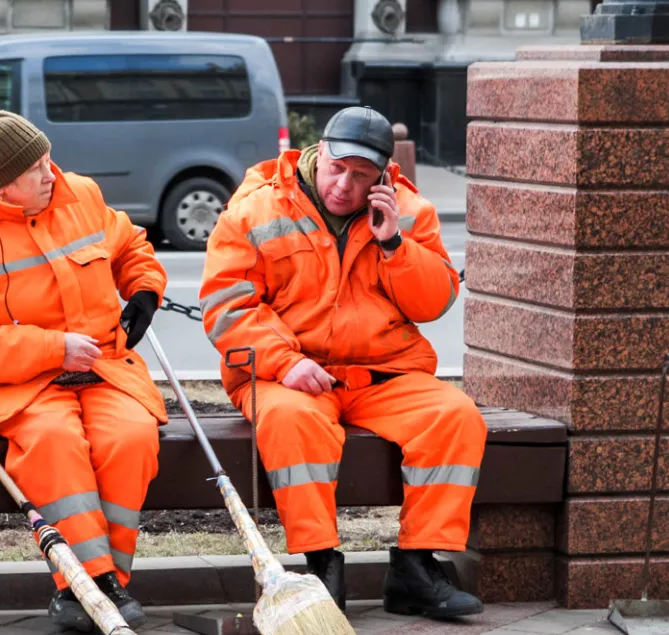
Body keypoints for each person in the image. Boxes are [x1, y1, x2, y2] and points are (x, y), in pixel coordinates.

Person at [199, 106, 486, 618]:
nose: (344, 186)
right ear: (318, 154)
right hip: (284, 374)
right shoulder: (255, 209)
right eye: (337, 168)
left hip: (385, 373)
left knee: (455, 416)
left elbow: (435, 302)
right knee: (292, 422)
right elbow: (227, 308)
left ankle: (416, 568)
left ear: (383, 177)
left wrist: (394, 243)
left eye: (361, 176)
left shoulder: (410, 213)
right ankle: (321, 565)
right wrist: (285, 362)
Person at [0, 110, 167, 632]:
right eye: (36, 169)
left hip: (105, 368)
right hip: (21, 388)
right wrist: (53, 348)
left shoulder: (80, 194)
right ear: (1, 185)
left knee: (131, 437)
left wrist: (144, 289)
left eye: (49, 159)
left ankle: (103, 586)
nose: (51, 174)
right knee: (55, 444)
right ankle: (90, 583)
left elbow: (130, 245)